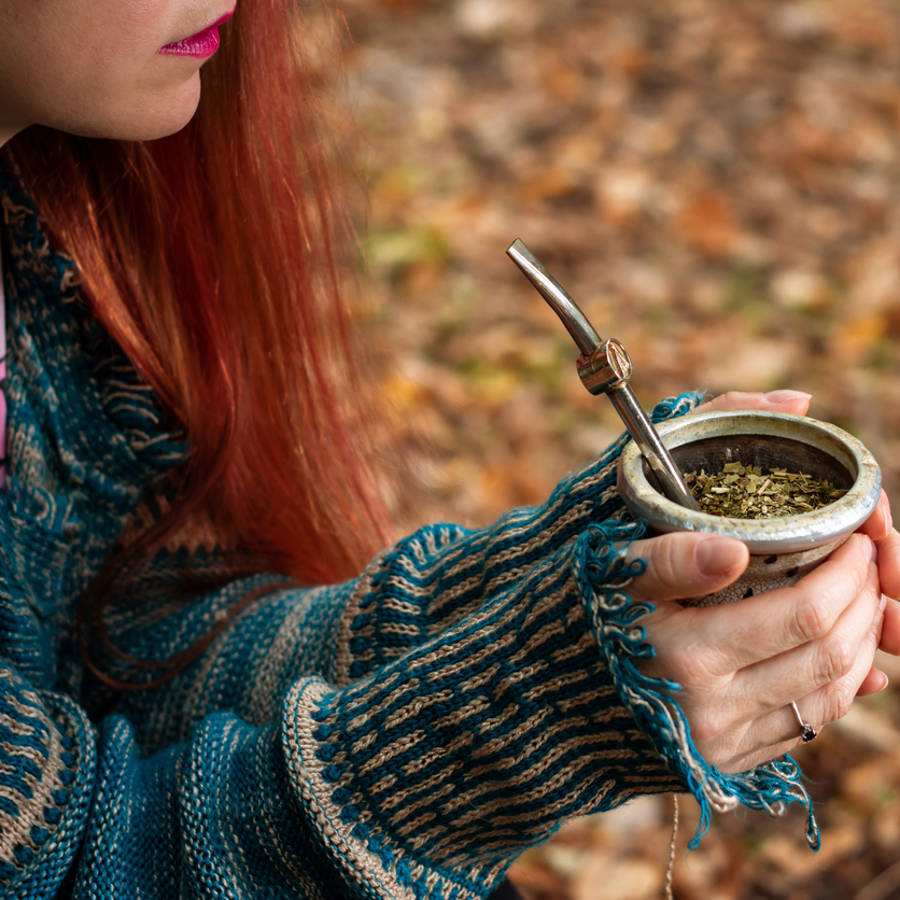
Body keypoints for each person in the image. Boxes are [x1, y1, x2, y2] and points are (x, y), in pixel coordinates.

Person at [0, 2, 898, 898]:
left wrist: (556, 575)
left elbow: (121, 664)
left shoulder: (44, 246)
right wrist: (511, 734)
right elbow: (62, 862)